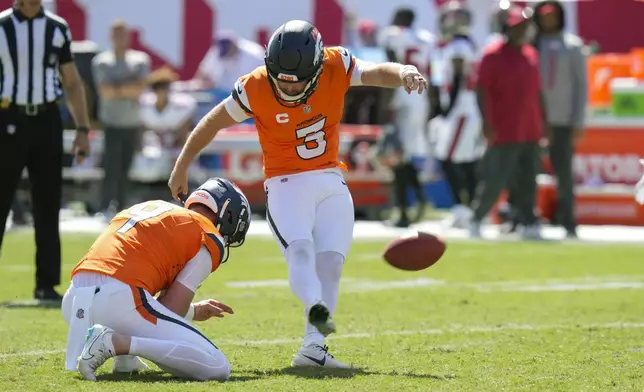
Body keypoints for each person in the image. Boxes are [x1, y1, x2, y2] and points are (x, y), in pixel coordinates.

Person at [169, 20, 427, 367]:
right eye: (281, 79)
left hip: (332, 181)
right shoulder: (257, 85)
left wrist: (404, 71)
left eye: (298, 81)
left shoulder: (336, 64)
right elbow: (212, 121)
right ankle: (314, 307)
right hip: (286, 184)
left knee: (331, 264)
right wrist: (182, 163)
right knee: (301, 251)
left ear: (318, 66)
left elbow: (377, 72)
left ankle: (313, 349)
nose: (288, 89)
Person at [61, 177, 251, 382]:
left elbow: (141, 288)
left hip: (74, 300)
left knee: (136, 300)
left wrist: (193, 311)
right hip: (118, 297)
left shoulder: (152, 207)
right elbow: (170, 308)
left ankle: (125, 359)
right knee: (217, 366)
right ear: (228, 214)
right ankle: (118, 344)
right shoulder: (207, 233)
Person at [0, 0, 91, 301]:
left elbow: (72, 81)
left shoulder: (56, 28)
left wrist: (82, 129)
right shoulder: (2, 26)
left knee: (48, 203)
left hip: (47, 119)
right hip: (7, 117)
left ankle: (46, 284)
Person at [470, 5, 546, 240]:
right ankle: (477, 218)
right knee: (495, 177)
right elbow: (481, 90)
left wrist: (545, 122)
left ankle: (528, 220)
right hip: (503, 127)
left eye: (524, 27)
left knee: (528, 179)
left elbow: (538, 92)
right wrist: (486, 122)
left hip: (530, 128)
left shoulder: (531, 54)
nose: (522, 31)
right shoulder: (492, 55)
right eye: (517, 27)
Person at [533, 0, 587, 238]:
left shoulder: (573, 46)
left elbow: (581, 86)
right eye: (544, 16)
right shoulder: (532, 45)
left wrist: (578, 120)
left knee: (564, 171)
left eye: (552, 16)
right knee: (527, 170)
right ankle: (525, 215)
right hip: (534, 119)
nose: (548, 21)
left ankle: (568, 219)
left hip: (563, 118)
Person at [378, 8, 434, 227]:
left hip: (402, 96)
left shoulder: (392, 36)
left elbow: (390, 70)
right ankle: (416, 200)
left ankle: (404, 210)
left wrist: (385, 104)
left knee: (397, 156)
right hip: (421, 98)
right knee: (404, 156)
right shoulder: (425, 39)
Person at [92, 19, 150, 216]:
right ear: (110, 37)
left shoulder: (140, 60)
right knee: (110, 166)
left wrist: (118, 87)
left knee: (126, 167)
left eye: (122, 34)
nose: (119, 38)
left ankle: (122, 205)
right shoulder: (101, 61)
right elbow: (105, 91)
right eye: (116, 34)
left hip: (132, 122)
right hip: (110, 122)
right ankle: (104, 205)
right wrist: (127, 87)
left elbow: (139, 88)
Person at [430, 38, 482, 229]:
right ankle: (471, 210)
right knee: (467, 163)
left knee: (448, 161)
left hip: (461, 115)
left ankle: (464, 209)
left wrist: (444, 114)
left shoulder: (459, 48)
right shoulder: (459, 50)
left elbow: (458, 77)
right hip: (465, 115)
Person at [133, 66, 197, 183]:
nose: (162, 92)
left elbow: (183, 138)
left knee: (184, 167)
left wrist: (177, 155)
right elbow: (140, 134)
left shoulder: (182, 107)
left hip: (174, 149)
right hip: (151, 150)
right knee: (142, 166)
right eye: (158, 88)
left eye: (165, 88)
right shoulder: (144, 107)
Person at [193, 31, 265, 90]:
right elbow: (203, 73)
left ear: (233, 45)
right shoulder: (217, 50)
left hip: (249, 93)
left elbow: (263, 79)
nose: (227, 54)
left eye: (227, 50)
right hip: (225, 93)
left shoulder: (254, 54)